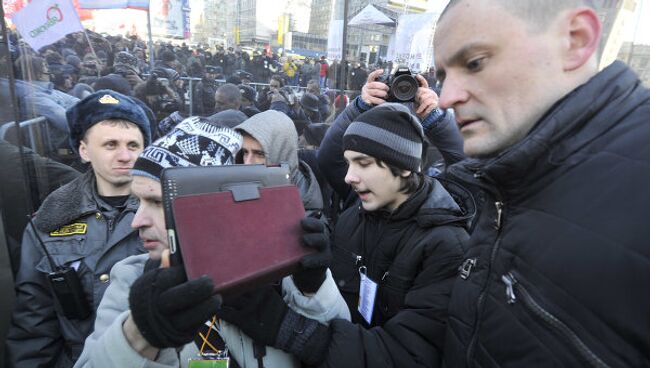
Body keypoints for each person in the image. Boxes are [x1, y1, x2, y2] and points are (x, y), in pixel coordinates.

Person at [432, 1, 650, 366]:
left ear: (576, 40)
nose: (446, 97)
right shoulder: (506, 175)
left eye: (475, 63)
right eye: (442, 76)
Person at [216, 72, 473, 367]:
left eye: (362, 163)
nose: (348, 176)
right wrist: (311, 284)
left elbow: (405, 355)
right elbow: (339, 310)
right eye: (349, 162)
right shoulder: (354, 214)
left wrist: (286, 328)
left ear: (404, 167)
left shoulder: (447, 245)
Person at [74, 117, 350, 368]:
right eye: (138, 201)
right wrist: (139, 335)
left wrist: (312, 288)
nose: (137, 221)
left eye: (157, 202)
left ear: (213, 208)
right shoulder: (132, 282)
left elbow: (336, 347)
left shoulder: (275, 269)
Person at [6, 90, 153, 367]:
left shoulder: (167, 213)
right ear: (84, 150)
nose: (124, 156)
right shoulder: (49, 223)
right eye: (110, 145)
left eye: (133, 145)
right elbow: (34, 323)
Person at [235, 110, 324, 216]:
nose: (247, 163)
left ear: (282, 151)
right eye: (245, 152)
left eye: (259, 154)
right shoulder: (238, 184)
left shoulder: (305, 210)